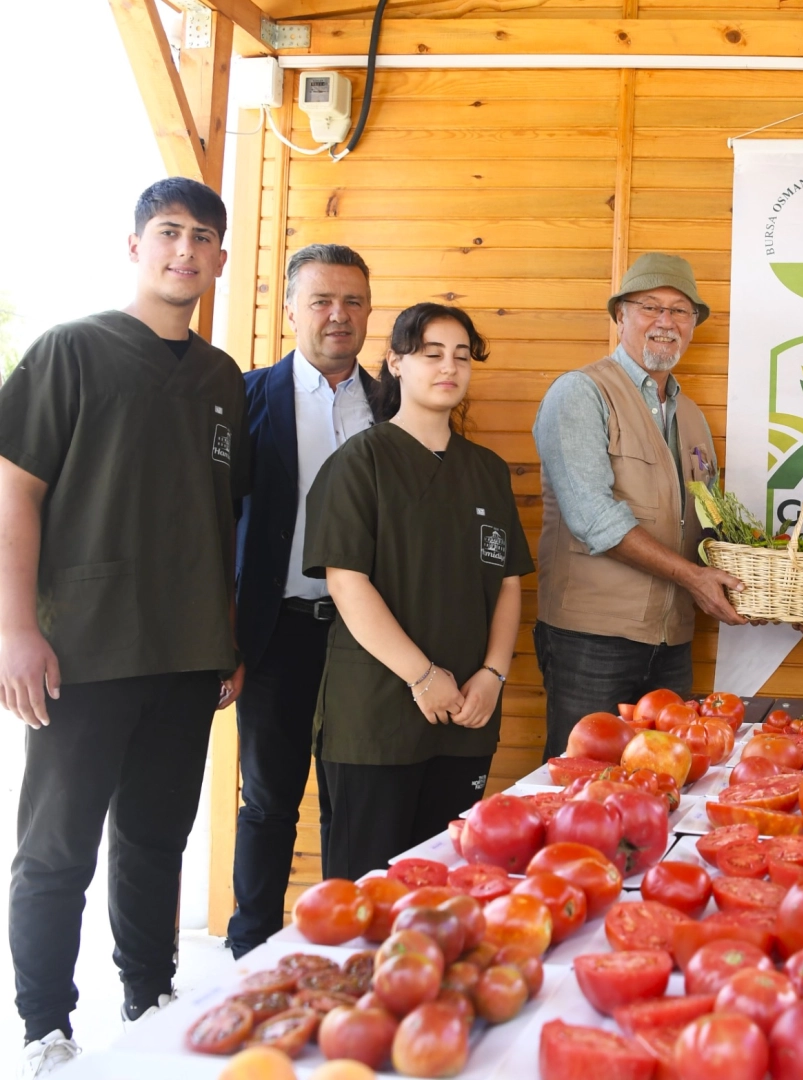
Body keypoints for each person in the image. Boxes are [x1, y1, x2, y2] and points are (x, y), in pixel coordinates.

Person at [0, 178, 248, 1076]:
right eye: (168, 232)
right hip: (83, 649)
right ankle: (44, 1025)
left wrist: (226, 637)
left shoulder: (222, 380)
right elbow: (13, 494)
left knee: (154, 838)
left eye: (203, 237)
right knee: (57, 846)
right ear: (135, 246)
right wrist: (14, 631)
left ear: (220, 259)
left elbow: (219, 521)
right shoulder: (70, 351)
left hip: (187, 655)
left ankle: (148, 995)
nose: (186, 250)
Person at [302, 303, 531, 879]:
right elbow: (346, 580)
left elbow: (507, 583)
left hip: (468, 719)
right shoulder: (361, 462)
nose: (448, 367)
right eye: (432, 354)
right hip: (378, 719)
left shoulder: (487, 471)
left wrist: (493, 676)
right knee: (367, 895)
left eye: (461, 356)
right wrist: (421, 676)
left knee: (447, 890)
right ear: (396, 364)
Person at [226, 244, 378, 957]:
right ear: (290, 310)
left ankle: (346, 948)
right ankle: (249, 947)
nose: (337, 316)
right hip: (277, 630)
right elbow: (213, 524)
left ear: (369, 311)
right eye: (320, 301)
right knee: (268, 801)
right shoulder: (245, 398)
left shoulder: (394, 404)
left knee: (354, 799)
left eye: (351, 301)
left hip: (368, 639)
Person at [532, 253, 744, 762]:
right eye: (650, 307)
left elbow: (707, 523)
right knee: (582, 784)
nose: (666, 322)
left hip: (672, 642)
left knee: (667, 782)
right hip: (591, 639)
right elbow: (592, 517)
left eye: (681, 311)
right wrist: (694, 579)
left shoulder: (690, 415)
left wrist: (759, 588)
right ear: (620, 316)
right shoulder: (581, 392)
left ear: (693, 325)